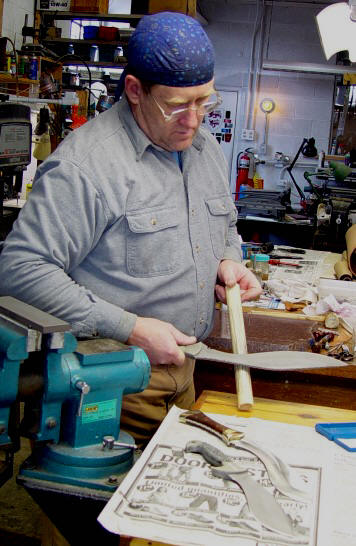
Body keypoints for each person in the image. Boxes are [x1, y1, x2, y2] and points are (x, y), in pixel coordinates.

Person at [0, 12, 261, 447]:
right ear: (136, 90)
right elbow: (20, 270)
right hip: (113, 379)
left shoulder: (203, 147)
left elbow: (225, 223)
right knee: (105, 508)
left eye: (204, 102)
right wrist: (130, 327)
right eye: (178, 105)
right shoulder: (88, 166)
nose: (194, 120)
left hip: (185, 372)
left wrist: (229, 259)